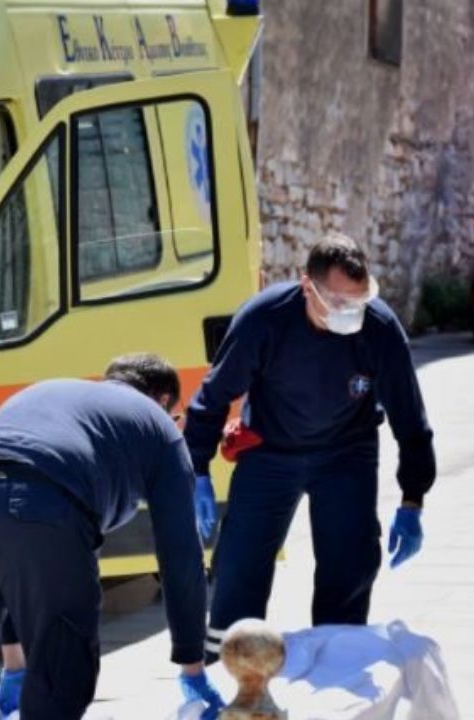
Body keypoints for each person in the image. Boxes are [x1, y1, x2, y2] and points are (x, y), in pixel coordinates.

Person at [0, 353, 225, 720]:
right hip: (41, 510)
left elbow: (6, 549)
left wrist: (15, 662)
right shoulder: (157, 424)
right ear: (162, 402)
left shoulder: (52, 392)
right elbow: (180, 557)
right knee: (61, 680)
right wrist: (192, 662)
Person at [183, 232, 436, 660]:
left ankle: (337, 666)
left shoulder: (378, 328)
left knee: (350, 564)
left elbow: (411, 419)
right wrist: (198, 470)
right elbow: (212, 396)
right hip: (270, 451)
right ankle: (224, 671)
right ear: (307, 288)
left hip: (346, 453)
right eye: (338, 303)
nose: (350, 313)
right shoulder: (265, 319)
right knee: (238, 569)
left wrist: (413, 500)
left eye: (359, 301)